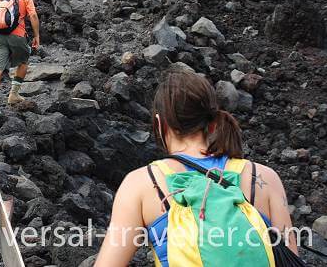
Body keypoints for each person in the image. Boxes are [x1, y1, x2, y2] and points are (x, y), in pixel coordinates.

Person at [95, 70, 298, 267]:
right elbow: (289, 260)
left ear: (160, 123)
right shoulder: (264, 177)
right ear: (211, 123)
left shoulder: (142, 183)